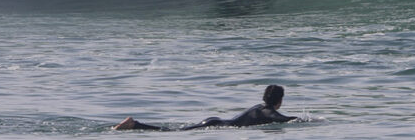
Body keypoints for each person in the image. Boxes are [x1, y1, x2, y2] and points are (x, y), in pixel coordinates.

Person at [113, 84, 297, 131]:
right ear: (279, 100)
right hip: (218, 126)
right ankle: (134, 124)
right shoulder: (267, 111)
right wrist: (307, 120)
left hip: (215, 122)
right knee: (171, 133)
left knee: (174, 131)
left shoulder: (259, 106)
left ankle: (135, 125)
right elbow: (283, 119)